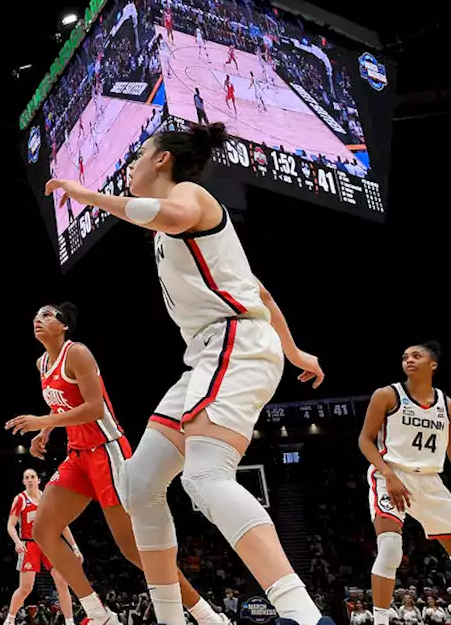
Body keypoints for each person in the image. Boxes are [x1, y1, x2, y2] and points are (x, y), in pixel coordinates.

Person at [43, 121, 328, 625]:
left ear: (162, 161)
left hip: (232, 342)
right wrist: (295, 350)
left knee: (204, 476)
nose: (129, 165)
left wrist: (87, 195)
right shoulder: (180, 230)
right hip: (212, 352)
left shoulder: (190, 196)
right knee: (139, 484)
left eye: (139, 155)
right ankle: (172, 618)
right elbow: (258, 291)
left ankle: (302, 614)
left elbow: (171, 216)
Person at [6, 303, 225, 625]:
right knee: (43, 530)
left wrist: (43, 420)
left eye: (47, 315)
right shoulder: (41, 363)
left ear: (64, 325)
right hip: (78, 453)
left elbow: (94, 408)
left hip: (108, 451)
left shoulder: (78, 353)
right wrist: (47, 431)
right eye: (36, 315)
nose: (38, 319)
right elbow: (66, 402)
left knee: (134, 550)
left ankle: (205, 615)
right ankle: (98, 613)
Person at [359, 341, 451, 625]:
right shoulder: (387, 395)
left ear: (432, 364)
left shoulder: (449, 407)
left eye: (416, 356)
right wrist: (387, 474)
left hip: (431, 480)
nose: (408, 360)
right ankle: (381, 621)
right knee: (390, 548)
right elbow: (365, 440)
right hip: (391, 474)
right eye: (405, 357)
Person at [5, 469, 80, 625]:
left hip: (48, 543)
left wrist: (74, 547)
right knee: (26, 587)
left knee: (61, 580)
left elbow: (62, 524)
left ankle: (69, 621)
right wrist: (17, 542)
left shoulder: (48, 498)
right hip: (29, 544)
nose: (30, 480)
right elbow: (10, 525)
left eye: (33, 477)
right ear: (23, 482)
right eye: (27, 477)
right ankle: (10, 619)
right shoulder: (20, 499)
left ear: (39, 480)